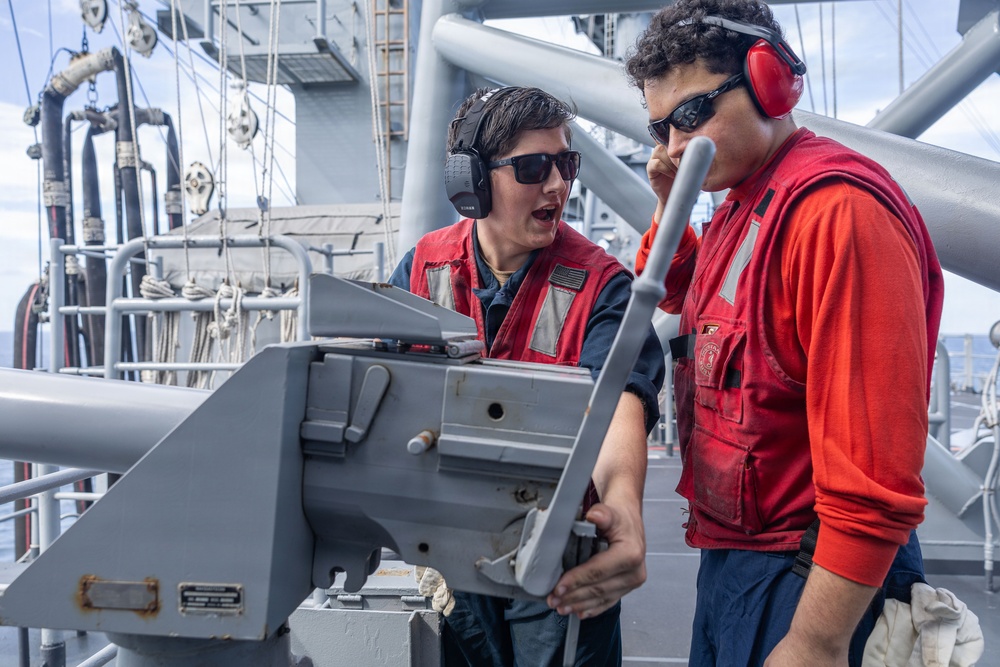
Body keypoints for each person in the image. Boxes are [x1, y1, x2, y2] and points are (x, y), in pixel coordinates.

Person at [623, 1, 944, 666]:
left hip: (810, 579)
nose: (676, 144)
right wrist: (667, 205)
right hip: (738, 563)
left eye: (691, 113)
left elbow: (875, 476)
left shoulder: (837, 214)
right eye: (661, 126)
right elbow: (686, 293)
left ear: (770, 81)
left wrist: (815, 641)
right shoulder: (744, 205)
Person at [388, 86, 666, 666]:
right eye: (535, 167)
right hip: (450, 554)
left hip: (558, 562)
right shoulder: (421, 268)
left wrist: (625, 511)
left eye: (566, 164)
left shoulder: (601, 286)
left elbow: (618, 402)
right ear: (473, 180)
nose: (559, 185)